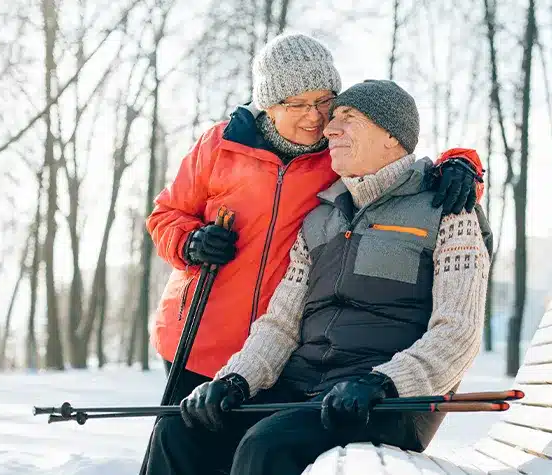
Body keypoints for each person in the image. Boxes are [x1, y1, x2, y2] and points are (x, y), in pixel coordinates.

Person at [144, 79, 490, 475]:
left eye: (348, 118)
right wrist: (236, 380)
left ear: (392, 136)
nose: (329, 129)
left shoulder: (448, 210)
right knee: (180, 428)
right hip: (303, 389)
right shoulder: (320, 218)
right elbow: (279, 326)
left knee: (268, 445)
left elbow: (458, 331)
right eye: (333, 117)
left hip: (389, 398)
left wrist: (386, 383)